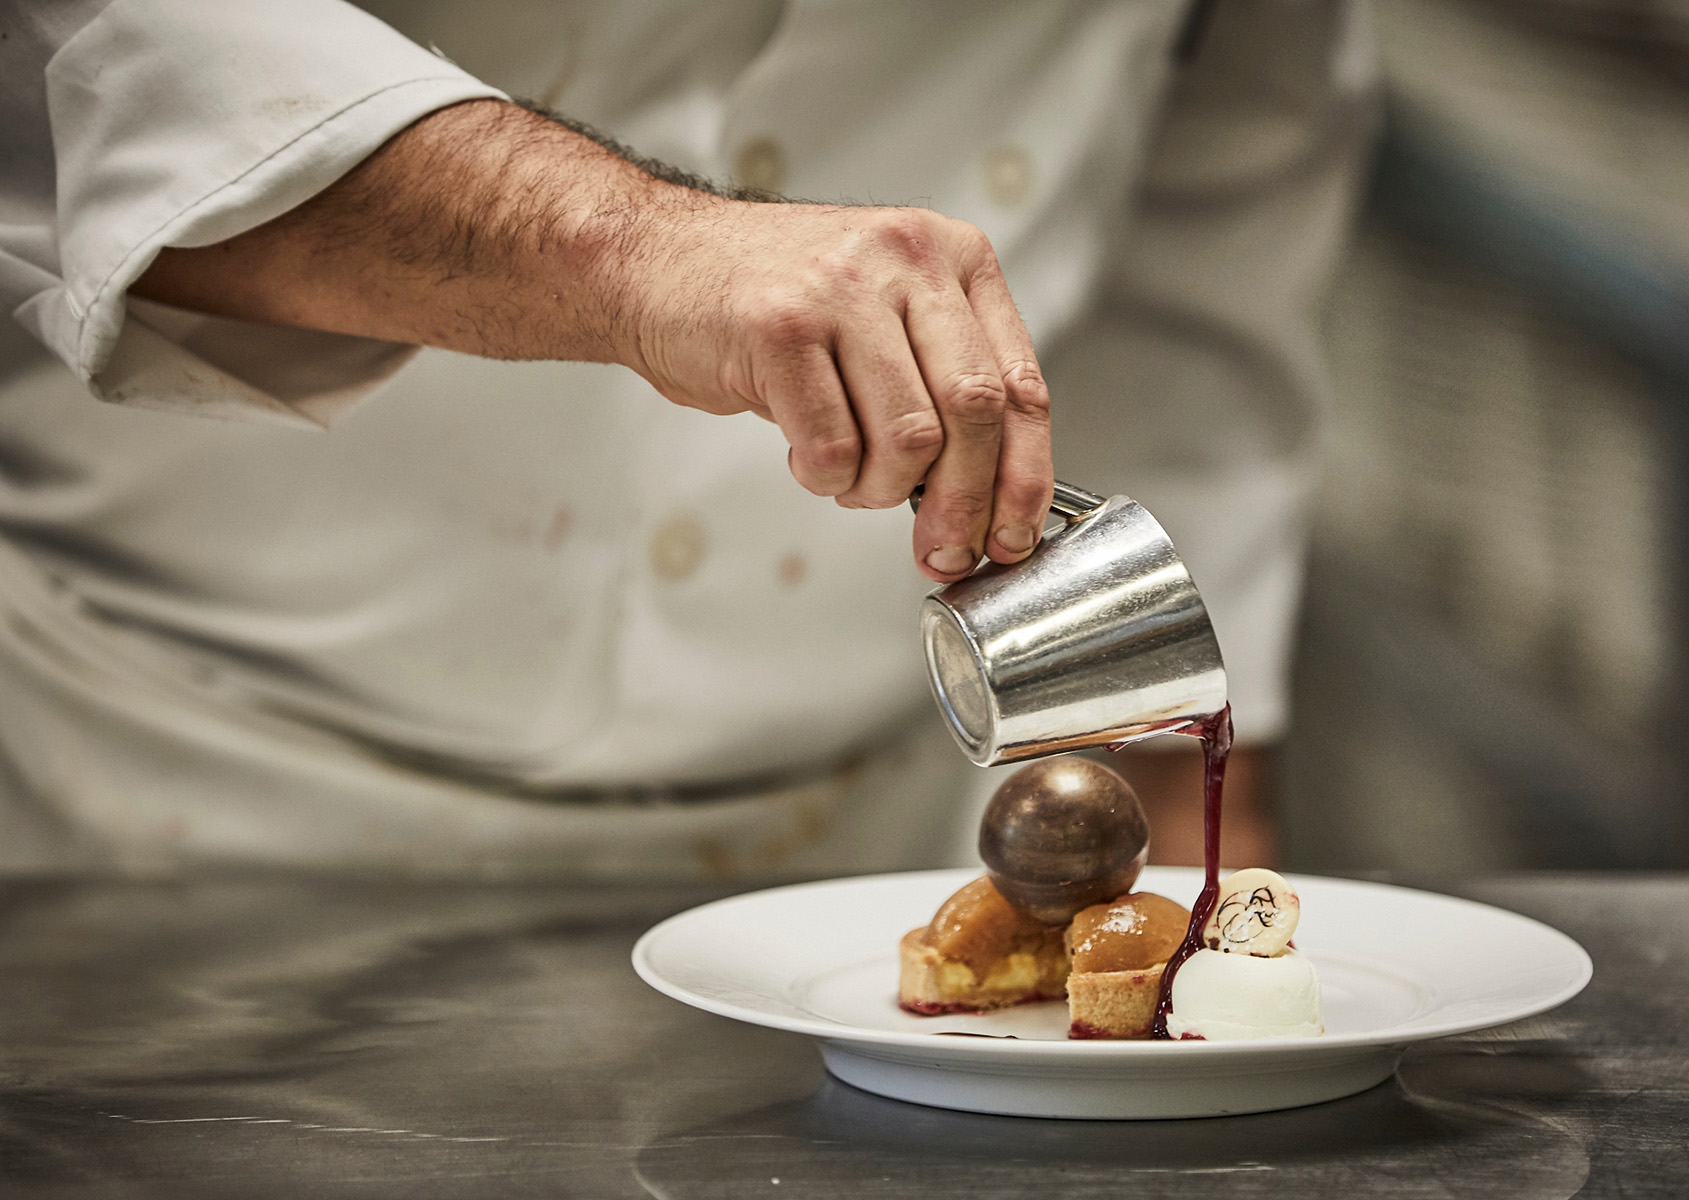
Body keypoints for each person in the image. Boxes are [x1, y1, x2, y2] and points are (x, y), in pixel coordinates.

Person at [0, 0, 1376, 877]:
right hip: (160, 789)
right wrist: (633, 251)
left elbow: (1201, 260)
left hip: (873, 841)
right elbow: (105, 59)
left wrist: (1200, 822)